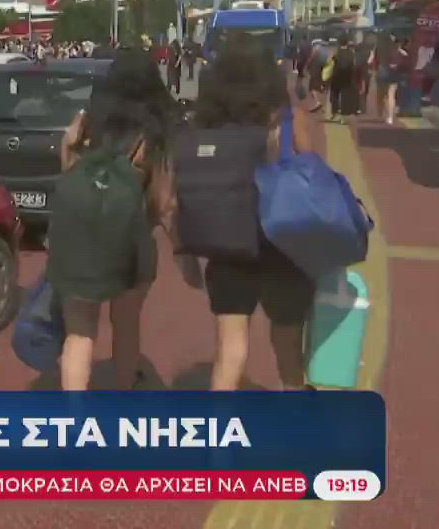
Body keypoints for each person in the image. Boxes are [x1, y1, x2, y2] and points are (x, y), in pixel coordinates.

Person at [52, 48, 179, 391]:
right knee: (126, 323)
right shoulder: (153, 133)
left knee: (79, 332)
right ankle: (124, 396)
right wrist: (181, 248)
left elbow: (67, 159)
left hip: (80, 231)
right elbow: (164, 202)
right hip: (130, 236)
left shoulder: (89, 121)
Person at [193, 44, 316, 391]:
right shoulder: (287, 120)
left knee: (230, 350)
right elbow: (312, 169)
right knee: (287, 346)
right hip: (284, 242)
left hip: (229, 241)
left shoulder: (213, 126)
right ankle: (294, 411)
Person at [374, 35, 407, 125]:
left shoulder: (380, 48)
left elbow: (376, 60)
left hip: (383, 72)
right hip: (394, 74)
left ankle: (380, 111)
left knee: (381, 94)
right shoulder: (398, 49)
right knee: (391, 96)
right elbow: (406, 58)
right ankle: (390, 117)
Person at [328, 41, 357, 122]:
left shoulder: (336, 53)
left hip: (337, 76)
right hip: (347, 77)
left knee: (334, 95)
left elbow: (330, 63)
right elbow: (354, 65)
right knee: (345, 96)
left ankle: (335, 114)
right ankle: (344, 116)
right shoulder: (351, 53)